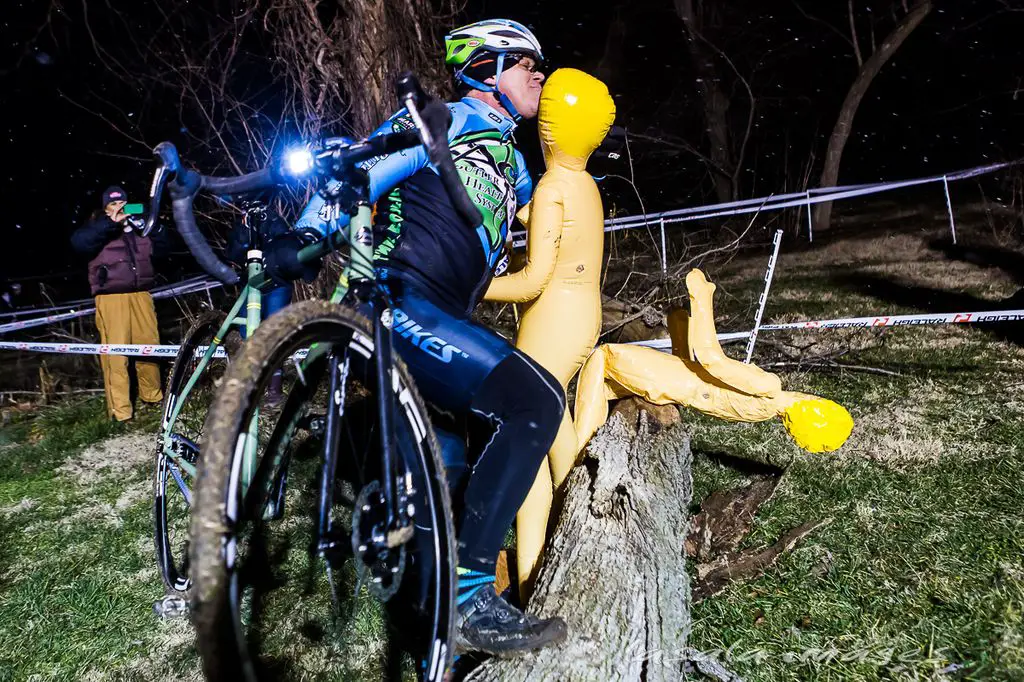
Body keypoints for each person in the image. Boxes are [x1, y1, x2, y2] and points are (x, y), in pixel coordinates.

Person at [287, 19, 568, 657]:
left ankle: (435, 639)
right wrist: (306, 237)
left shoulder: (515, 164)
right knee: (536, 403)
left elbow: (535, 211)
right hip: (398, 301)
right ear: (489, 69)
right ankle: (471, 600)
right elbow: (359, 174)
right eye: (529, 64)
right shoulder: (446, 120)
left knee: (449, 470)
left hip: (448, 316)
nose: (541, 76)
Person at [71, 185, 163, 422]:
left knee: (149, 348)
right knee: (116, 356)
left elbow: (166, 247)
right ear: (104, 208)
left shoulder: (138, 227)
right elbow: (79, 244)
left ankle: (152, 397)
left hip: (141, 295)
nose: (119, 207)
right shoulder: (97, 229)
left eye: (122, 203)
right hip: (111, 298)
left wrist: (154, 225)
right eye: (112, 204)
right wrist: (110, 223)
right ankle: (120, 412)